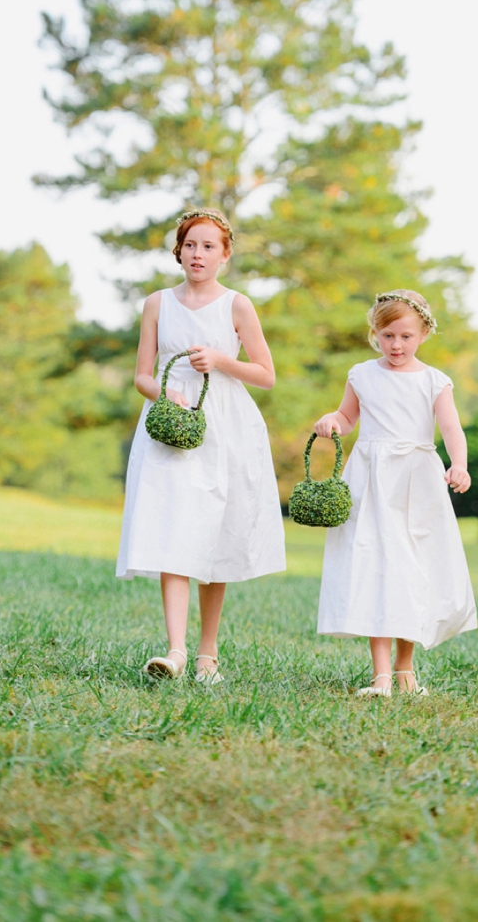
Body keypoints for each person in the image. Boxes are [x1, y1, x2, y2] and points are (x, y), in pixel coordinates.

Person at [117, 208, 285, 683]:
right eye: (191, 244)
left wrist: (220, 361)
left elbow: (266, 375)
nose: (198, 253)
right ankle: (175, 651)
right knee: (174, 530)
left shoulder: (237, 305)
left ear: (224, 255)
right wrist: (163, 393)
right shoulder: (157, 303)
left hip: (225, 425)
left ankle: (207, 654)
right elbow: (141, 375)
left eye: (209, 246)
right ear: (178, 250)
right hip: (169, 428)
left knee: (216, 532)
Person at [313, 289, 477, 697]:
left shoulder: (434, 381)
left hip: (416, 480)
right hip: (371, 479)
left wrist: (459, 464)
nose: (396, 345)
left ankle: (406, 669)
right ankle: (380, 674)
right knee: (375, 565)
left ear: (423, 334)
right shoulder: (362, 375)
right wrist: (331, 421)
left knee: (411, 568)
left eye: (405, 336)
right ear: (375, 333)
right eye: (387, 336)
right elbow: (348, 417)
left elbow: (451, 429)